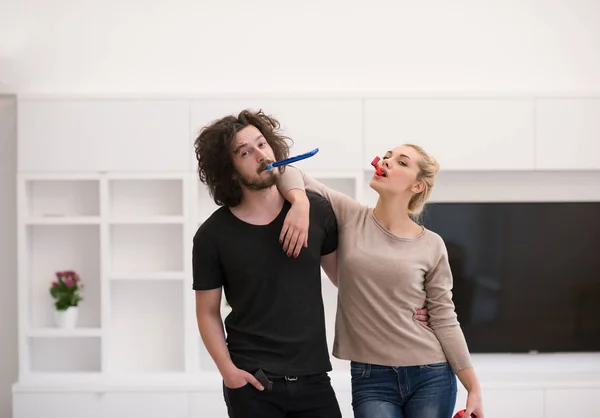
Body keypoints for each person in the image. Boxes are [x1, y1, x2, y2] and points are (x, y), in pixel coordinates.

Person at [192, 109, 430, 418]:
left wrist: (406, 306)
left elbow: (347, 282)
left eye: (262, 144)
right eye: (244, 152)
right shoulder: (212, 235)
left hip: (314, 379)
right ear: (230, 169)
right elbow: (207, 312)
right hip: (252, 383)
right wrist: (229, 373)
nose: (261, 155)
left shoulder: (316, 211)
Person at [276, 144, 485, 418]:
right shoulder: (350, 215)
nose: (386, 162)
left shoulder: (432, 245)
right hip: (370, 376)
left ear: (417, 186)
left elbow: (444, 317)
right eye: (386, 157)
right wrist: (301, 202)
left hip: (430, 373)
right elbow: (287, 170)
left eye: (401, 162)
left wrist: (473, 387)